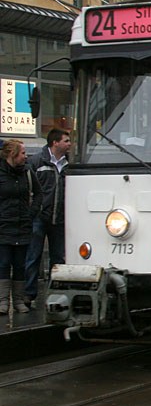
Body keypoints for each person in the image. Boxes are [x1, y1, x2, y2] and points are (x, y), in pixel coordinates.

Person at [24, 128, 71, 307]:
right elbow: (29, 189)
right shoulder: (37, 161)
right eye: (66, 141)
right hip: (40, 217)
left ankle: (55, 294)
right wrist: (34, 211)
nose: (69, 144)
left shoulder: (69, 163)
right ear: (55, 143)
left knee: (58, 258)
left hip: (59, 218)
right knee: (33, 256)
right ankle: (29, 294)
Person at [0, 139, 42, 314]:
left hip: (23, 226)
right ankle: (3, 302)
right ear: (12, 154)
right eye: (23, 153)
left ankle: (18, 300)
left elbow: (39, 194)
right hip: (3, 226)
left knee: (20, 265)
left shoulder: (28, 173)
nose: (26, 157)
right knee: (3, 263)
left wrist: (30, 213)